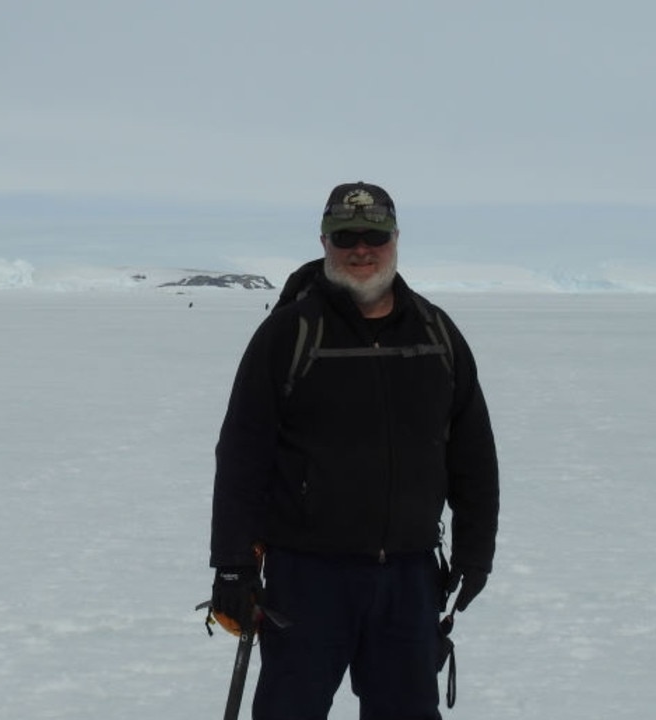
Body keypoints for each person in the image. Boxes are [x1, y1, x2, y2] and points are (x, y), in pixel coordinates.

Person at [207, 181, 500, 719]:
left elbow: (473, 455)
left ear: (394, 239)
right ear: (325, 241)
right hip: (307, 580)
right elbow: (242, 454)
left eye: (373, 235)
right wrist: (231, 567)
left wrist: (475, 552)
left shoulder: (437, 333)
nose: (361, 249)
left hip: (409, 580)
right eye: (346, 236)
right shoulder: (290, 333)